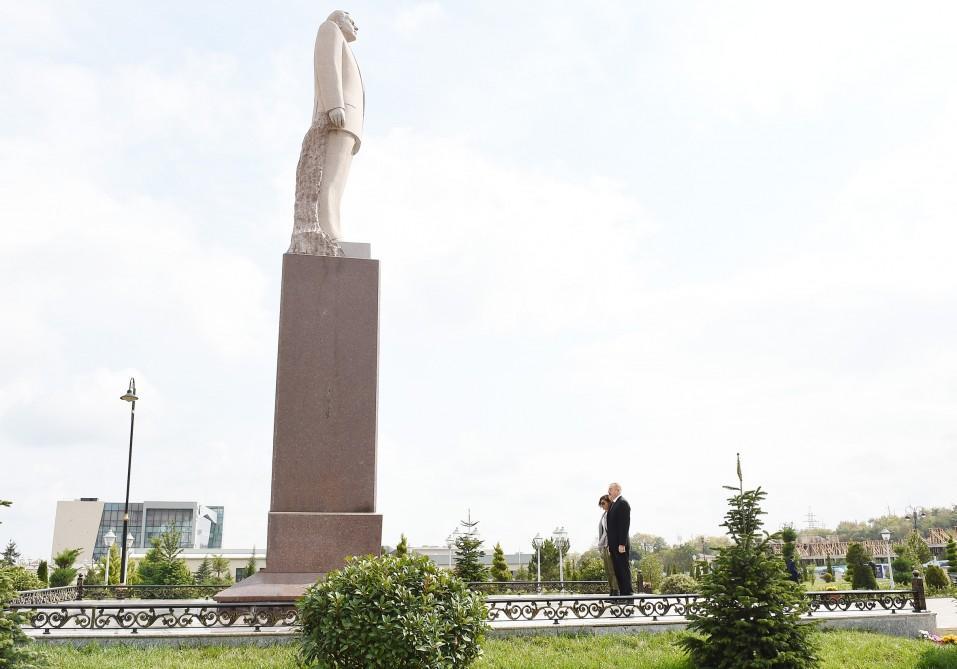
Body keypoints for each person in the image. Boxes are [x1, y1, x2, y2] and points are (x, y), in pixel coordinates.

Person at [290, 10, 365, 255]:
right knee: (328, 182)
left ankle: (331, 228)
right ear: (338, 18)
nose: (356, 25)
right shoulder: (329, 29)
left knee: (337, 183)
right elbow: (327, 64)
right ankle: (327, 230)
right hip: (337, 119)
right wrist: (335, 105)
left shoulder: (345, 44)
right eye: (351, 19)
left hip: (349, 125)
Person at [605, 482, 633, 596]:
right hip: (613, 544)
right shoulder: (613, 504)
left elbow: (624, 525)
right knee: (617, 570)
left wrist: (622, 544)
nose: (608, 492)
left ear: (618, 490)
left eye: (610, 489)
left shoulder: (623, 503)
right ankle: (623, 593)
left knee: (623, 569)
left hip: (620, 545)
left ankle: (628, 594)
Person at [597, 494, 619, 596]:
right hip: (605, 544)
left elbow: (615, 531)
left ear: (609, 502)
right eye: (600, 504)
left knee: (613, 569)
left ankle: (616, 591)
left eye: (603, 503)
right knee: (608, 570)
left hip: (612, 545)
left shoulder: (613, 513)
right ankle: (611, 591)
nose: (602, 506)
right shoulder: (604, 515)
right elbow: (603, 531)